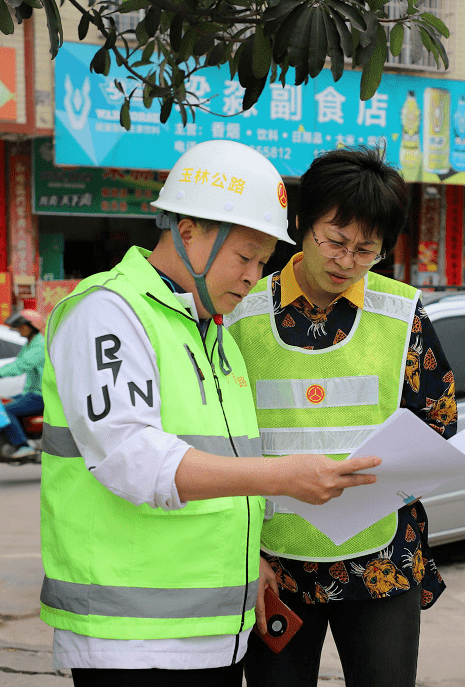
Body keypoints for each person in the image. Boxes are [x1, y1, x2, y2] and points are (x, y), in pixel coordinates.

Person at [38, 140, 381, 687]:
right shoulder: (108, 313)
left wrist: (250, 562)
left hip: (217, 636)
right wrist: (284, 477)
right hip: (133, 641)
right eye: (243, 256)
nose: (252, 276)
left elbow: (220, 479)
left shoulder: (210, 333)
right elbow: (133, 461)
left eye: (263, 262)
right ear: (187, 229)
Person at [227, 147, 455, 687]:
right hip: (272, 562)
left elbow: (437, 423)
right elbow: (217, 440)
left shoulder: (401, 314)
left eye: (365, 250)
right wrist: (241, 553)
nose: (346, 261)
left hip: (378, 558)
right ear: (302, 225)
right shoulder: (240, 311)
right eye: (334, 241)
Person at [0, 308, 46, 459]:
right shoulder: (31, 344)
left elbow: (21, 366)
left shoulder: (39, 346)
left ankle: (23, 445)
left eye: (22, 326)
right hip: (31, 392)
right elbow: (17, 363)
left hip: (41, 395)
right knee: (0, 401)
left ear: (31, 327)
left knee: (5, 410)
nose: (19, 329)